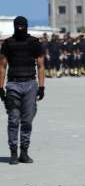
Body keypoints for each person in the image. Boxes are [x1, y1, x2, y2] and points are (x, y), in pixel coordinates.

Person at [0, 16, 45, 165]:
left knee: (27, 120)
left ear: (26, 26)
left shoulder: (34, 43)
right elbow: (2, 66)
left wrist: (42, 86)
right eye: (17, 26)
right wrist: (0, 88)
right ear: (14, 26)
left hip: (30, 85)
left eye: (22, 26)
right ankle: (13, 152)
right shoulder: (8, 43)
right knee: (13, 120)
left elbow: (41, 65)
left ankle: (24, 152)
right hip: (13, 85)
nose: (20, 28)